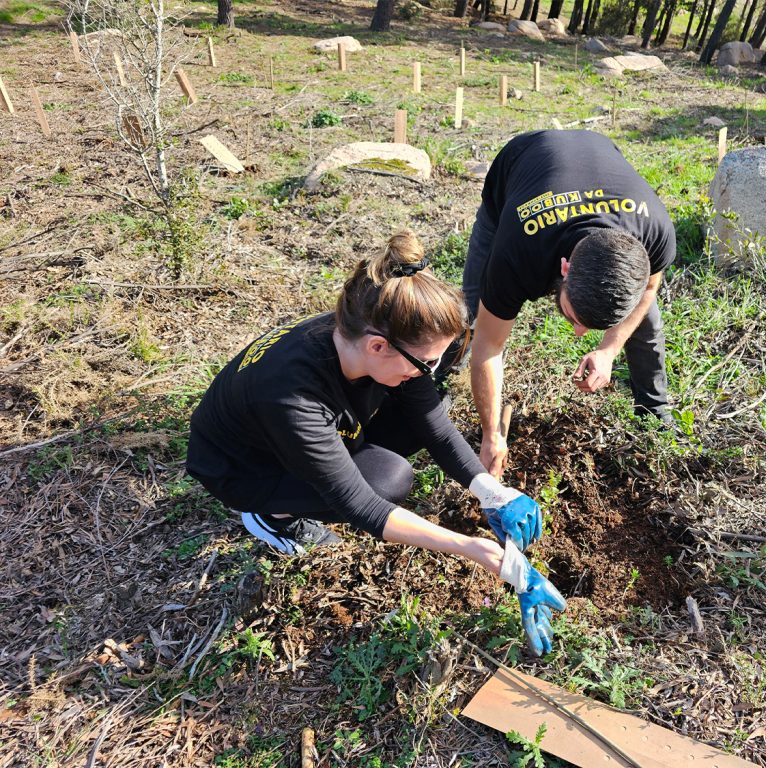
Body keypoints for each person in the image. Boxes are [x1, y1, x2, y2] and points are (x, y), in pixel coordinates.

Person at [186, 230, 565, 656]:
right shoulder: (291, 396)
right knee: (387, 481)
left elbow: (432, 424)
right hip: (245, 466)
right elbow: (362, 505)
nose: (433, 370)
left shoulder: (376, 333)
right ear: (378, 346)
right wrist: (478, 551)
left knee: (413, 412)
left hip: (315, 431)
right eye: (428, 362)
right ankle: (272, 515)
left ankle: (326, 464)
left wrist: (492, 493)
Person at [459, 130, 677, 477]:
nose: (578, 333)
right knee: (468, 314)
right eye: (576, 317)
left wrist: (608, 350)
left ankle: (655, 411)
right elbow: (489, 347)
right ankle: (435, 384)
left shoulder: (654, 233)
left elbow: (648, 289)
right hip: (519, 168)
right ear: (564, 268)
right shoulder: (518, 250)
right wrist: (491, 435)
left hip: (599, 154)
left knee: (645, 321)